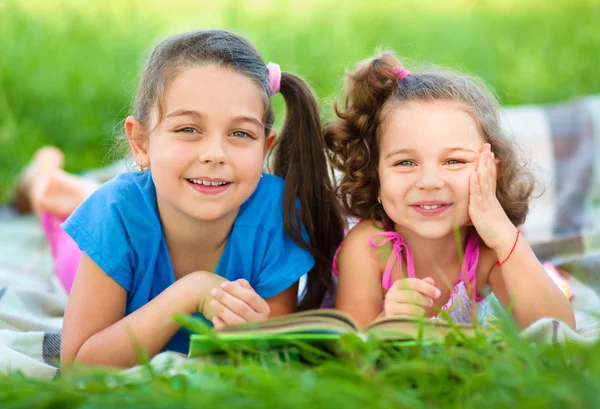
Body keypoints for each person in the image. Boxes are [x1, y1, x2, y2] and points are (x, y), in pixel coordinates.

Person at [29, 29, 346, 369]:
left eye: (240, 133)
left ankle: (68, 188)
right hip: (95, 253)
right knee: (56, 211)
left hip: (142, 209)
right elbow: (78, 369)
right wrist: (191, 291)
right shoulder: (114, 216)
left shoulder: (277, 215)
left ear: (265, 148)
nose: (214, 154)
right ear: (141, 143)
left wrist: (256, 334)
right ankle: (41, 174)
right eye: (188, 129)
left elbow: (267, 356)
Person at [324, 52, 575, 329]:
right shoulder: (368, 249)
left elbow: (559, 331)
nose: (429, 181)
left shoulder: (489, 248)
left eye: (453, 161)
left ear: (491, 172)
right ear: (375, 176)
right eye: (405, 162)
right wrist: (388, 323)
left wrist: (503, 235)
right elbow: (351, 350)